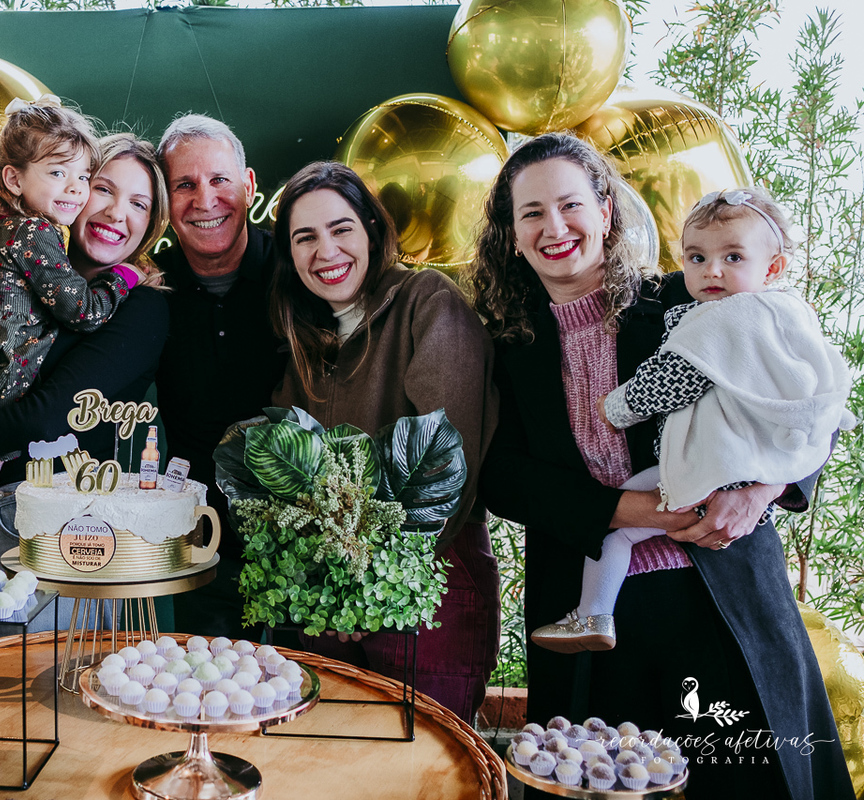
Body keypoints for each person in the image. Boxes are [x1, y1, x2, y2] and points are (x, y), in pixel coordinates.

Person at [471, 132, 852, 799]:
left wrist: (764, 492)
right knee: (599, 783)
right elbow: (501, 474)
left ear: (607, 211)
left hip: (720, 591)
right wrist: (623, 511)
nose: (553, 227)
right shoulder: (503, 339)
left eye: (570, 205)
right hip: (593, 614)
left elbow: (802, 396)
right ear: (511, 233)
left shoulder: (689, 303)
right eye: (531, 213)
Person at [532, 187, 854, 653]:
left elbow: (672, 381)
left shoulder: (701, 312)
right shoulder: (784, 315)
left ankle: (591, 613)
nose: (713, 270)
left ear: (606, 213)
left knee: (613, 536)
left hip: (728, 561)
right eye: (697, 257)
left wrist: (763, 489)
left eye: (733, 257)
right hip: (670, 555)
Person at [268, 161, 500, 721]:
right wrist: (325, 581)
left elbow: (445, 466)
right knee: (330, 766)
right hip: (326, 588)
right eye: (306, 237)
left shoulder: (428, 301)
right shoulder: (305, 340)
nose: (326, 251)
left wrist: (361, 582)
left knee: (422, 770)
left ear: (372, 229)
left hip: (429, 579)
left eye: (341, 228)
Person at [0, 132, 171, 612]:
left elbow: (45, 418)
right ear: (73, 190)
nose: (118, 213)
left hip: (51, 524)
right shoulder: (16, 270)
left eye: (139, 204)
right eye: (104, 188)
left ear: (151, 224)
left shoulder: (140, 307)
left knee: (44, 683)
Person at [0, 96, 145, 409]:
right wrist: (123, 277)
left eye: (84, 176)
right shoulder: (32, 232)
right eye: (58, 173)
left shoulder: (2, 227)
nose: (76, 188)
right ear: (14, 179)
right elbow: (84, 312)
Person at [153, 114, 289, 639]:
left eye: (219, 180)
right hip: (199, 551)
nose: (204, 199)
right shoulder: (147, 291)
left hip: (305, 547)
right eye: (184, 184)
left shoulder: (300, 272)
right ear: (165, 202)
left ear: (249, 185)